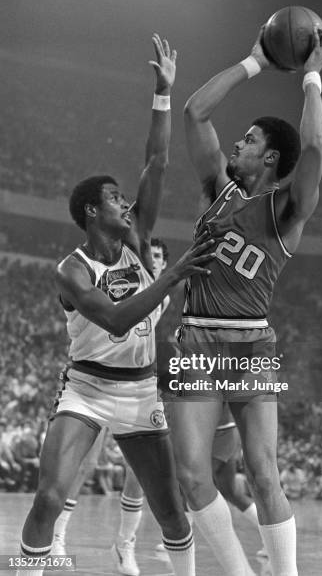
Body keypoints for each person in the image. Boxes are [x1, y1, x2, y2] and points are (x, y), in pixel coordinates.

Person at [16, 34, 215, 576]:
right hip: (86, 387)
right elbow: (117, 317)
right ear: (89, 212)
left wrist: (162, 94)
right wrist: (172, 275)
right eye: (113, 198)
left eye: (124, 197)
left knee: (172, 512)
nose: (125, 202)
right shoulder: (72, 269)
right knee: (50, 498)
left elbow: (158, 158)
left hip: (140, 390)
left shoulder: (135, 238)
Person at [165, 24, 322, 576]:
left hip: (252, 342)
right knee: (194, 476)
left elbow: (312, 147)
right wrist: (256, 61)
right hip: (196, 335)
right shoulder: (218, 186)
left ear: (269, 159)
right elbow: (194, 112)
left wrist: (311, 76)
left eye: (250, 140)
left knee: (264, 473)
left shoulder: (287, 213)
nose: (238, 143)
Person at [52, 238, 171, 576]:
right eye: (151, 254)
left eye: (161, 257)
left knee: (140, 472)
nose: (155, 260)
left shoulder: (163, 294)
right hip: (96, 379)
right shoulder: (122, 280)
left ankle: (125, 544)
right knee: (84, 463)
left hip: (138, 384)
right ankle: (58, 535)